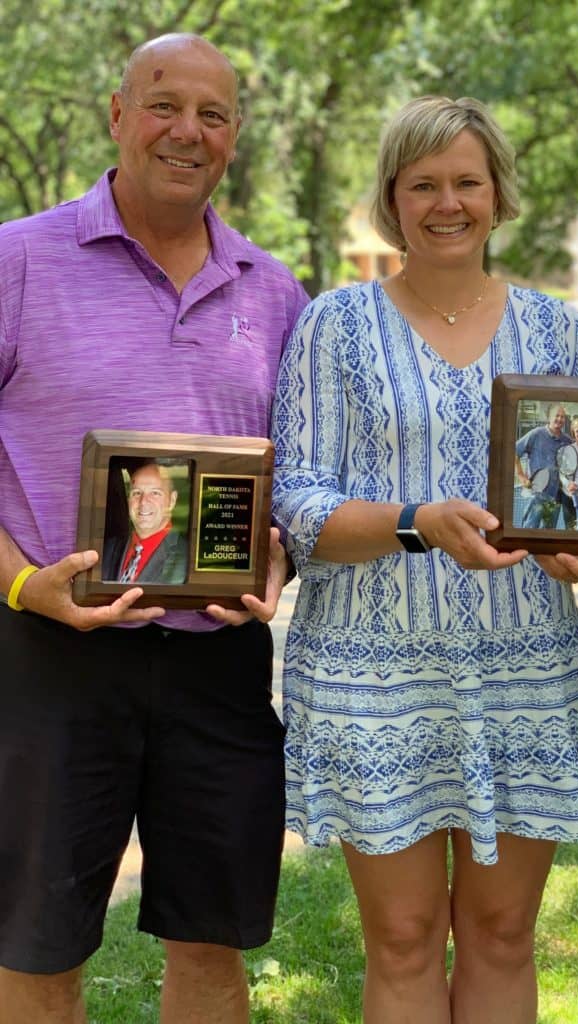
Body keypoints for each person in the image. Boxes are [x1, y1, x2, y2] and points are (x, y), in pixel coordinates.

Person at [271, 95, 578, 1024]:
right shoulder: (334, 326)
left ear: (499, 194)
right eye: (423, 184)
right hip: (373, 677)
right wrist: (416, 521)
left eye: (468, 180)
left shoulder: (559, 330)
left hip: (524, 667)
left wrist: (576, 550)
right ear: (393, 200)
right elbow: (297, 502)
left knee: (504, 935)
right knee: (404, 938)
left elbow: (577, 504)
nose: (447, 202)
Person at [0, 34, 307, 1023]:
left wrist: (279, 554)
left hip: (217, 662)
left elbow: (298, 480)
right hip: (50, 653)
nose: (188, 131)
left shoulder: (274, 291)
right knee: (37, 949)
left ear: (233, 138)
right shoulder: (16, 259)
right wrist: (19, 582)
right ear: (117, 116)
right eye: (164, 105)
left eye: (213, 115)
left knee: (210, 944)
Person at [102, 460, 188, 584]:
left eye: (155, 493)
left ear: (172, 500)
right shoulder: (107, 549)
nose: (143, 502)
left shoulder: (186, 559)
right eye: (137, 493)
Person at [514, 403, 576, 529]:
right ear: (549, 417)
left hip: (555, 498)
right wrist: (521, 476)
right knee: (529, 531)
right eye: (556, 416)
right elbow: (514, 452)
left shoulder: (568, 441)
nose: (559, 419)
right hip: (536, 494)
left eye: (562, 417)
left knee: (547, 533)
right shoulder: (536, 434)